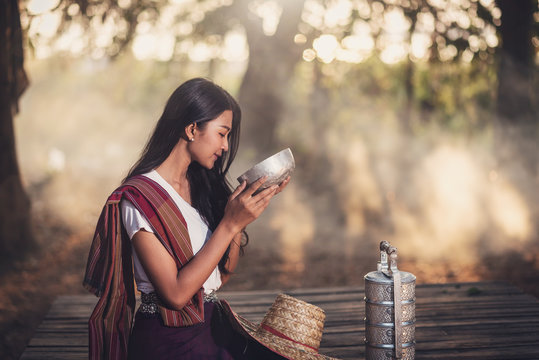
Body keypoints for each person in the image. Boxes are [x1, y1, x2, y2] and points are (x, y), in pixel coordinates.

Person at [83, 77, 290, 359]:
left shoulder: (201, 187)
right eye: (222, 133)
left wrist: (239, 223)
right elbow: (176, 295)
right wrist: (230, 223)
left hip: (211, 331)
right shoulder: (139, 199)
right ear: (193, 129)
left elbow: (221, 275)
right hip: (168, 342)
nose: (226, 146)